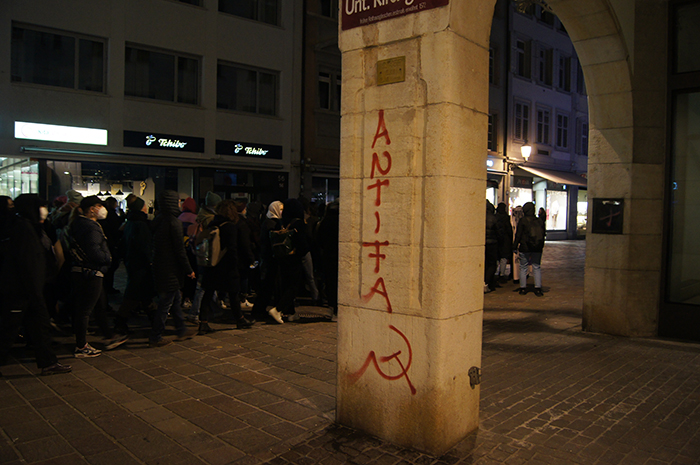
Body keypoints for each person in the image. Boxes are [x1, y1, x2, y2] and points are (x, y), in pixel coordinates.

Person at [0, 195, 71, 376]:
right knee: (8, 329)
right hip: (24, 290)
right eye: (41, 206)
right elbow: (27, 262)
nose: (44, 210)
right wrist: (35, 290)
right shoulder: (23, 228)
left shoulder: (30, 226)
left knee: (39, 327)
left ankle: (48, 362)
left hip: (31, 288)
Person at [64, 196, 127, 357]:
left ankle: (108, 336)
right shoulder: (90, 227)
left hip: (84, 271)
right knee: (85, 310)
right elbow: (95, 251)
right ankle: (81, 345)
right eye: (99, 205)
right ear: (91, 209)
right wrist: (107, 259)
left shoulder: (78, 223)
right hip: (91, 271)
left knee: (99, 305)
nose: (102, 209)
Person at [197, 200, 254, 334]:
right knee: (234, 293)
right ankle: (240, 319)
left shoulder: (213, 223)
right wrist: (235, 265)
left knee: (208, 292)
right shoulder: (229, 226)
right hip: (226, 265)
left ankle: (203, 322)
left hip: (212, 264)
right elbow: (232, 248)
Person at [150, 190, 196, 347]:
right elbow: (179, 249)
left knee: (175, 299)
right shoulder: (173, 222)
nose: (179, 204)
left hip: (161, 266)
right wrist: (189, 269)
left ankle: (181, 328)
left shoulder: (159, 220)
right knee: (166, 303)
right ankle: (156, 335)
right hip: (170, 269)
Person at [113, 197, 153, 337]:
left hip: (132, 262)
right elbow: (144, 246)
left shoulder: (129, 222)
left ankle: (155, 321)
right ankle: (120, 321)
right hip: (140, 264)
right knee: (134, 293)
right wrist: (150, 261)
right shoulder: (140, 224)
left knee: (141, 293)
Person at [277, 198, 310, 322]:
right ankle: (278, 309)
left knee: (285, 284)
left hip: (282, 256)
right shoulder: (299, 223)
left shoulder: (282, 221)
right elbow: (303, 243)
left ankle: (289, 311)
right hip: (294, 258)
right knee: (294, 285)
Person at [252, 201, 284, 323]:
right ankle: (259, 309)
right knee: (267, 285)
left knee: (269, 285)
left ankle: (261, 308)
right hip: (270, 258)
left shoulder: (270, 221)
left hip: (269, 258)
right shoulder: (271, 223)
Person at [513, 202, 545, 297]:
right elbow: (543, 234)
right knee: (536, 266)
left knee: (523, 267)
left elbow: (518, 235)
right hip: (537, 247)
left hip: (525, 247)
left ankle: (523, 288)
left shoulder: (523, 221)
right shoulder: (539, 221)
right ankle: (538, 288)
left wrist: (514, 246)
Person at [317, 199, 339, 314]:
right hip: (338, 255)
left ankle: (331, 306)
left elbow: (319, 239)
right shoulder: (341, 221)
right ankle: (336, 309)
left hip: (327, 255)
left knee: (330, 282)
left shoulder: (325, 221)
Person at [495, 203, 513, 283]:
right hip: (505, 240)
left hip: (497, 240)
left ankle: (495, 273)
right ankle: (502, 274)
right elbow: (509, 230)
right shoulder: (506, 217)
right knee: (504, 258)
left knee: (497, 257)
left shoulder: (495, 217)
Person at [484, 200, 499, 293]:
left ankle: (485, 281)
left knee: (485, 263)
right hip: (492, 244)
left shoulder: (479, 217)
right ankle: (487, 282)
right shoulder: (493, 218)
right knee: (492, 264)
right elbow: (499, 231)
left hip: (483, 243)